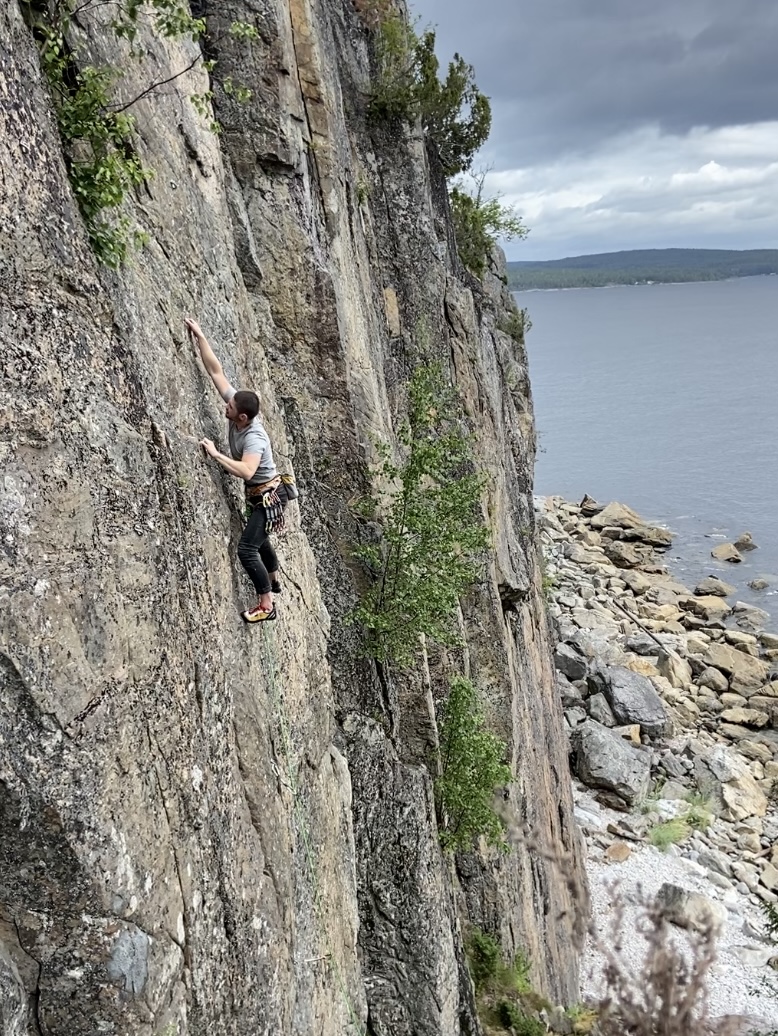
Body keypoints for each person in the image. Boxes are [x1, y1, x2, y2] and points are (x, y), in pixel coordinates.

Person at [186, 317, 282, 624]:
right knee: (261, 539)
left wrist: (215, 454)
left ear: (242, 416)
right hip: (260, 496)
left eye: (229, 410)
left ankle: (266, 605)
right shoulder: (238, 409)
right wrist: (201, 336)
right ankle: (274, 579)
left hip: (268, 498)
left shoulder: (254, 438)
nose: (224, 409)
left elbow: (245, 470)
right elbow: (216, 372)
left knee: (246, 548)